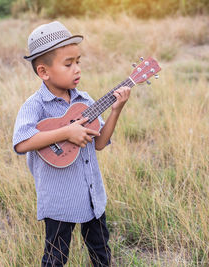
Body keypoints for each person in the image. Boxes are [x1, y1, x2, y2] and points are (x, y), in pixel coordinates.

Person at [12, 21, 130, 266]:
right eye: (68, 64)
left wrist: (116, 111)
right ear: (44, 71)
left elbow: (99, 143)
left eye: (78, 62)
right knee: (55, 256)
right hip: (59, 201)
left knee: (101, 252)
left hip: (91, 195)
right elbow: (22, 143)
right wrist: (66, 132)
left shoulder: (85, 100)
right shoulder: (36, 105)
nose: (77, 69)